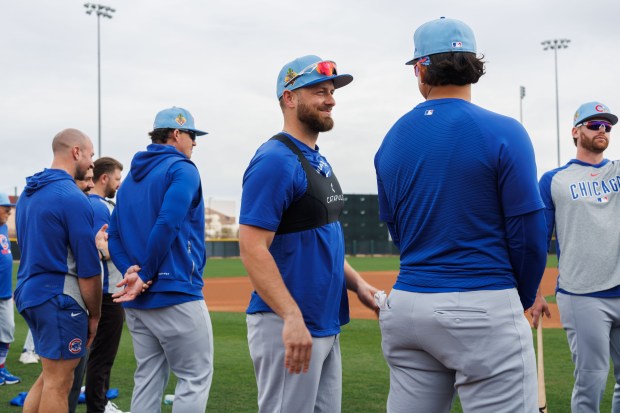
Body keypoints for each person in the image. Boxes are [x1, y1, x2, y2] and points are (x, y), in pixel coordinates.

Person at [374, 17, 547, 412]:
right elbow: (529, 235)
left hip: (407, 306)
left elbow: (397, 231)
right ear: (473, 65)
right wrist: (514, 299)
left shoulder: (392, 137)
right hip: (483, 303)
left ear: (421, 69)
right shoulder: (505, 130)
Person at [239, 55, 379, 413]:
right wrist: (290, 316)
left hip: (323, 319)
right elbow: (252, 246)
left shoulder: (316, 158)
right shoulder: (275, 159)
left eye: (331, 91)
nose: (330, 99)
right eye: (319, 91)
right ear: (289, 98)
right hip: (289, 322)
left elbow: (321, 239)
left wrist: (358, 285)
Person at [108, 107, 212, 413]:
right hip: (175, 293)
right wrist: (146, 273)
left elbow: (113, 234)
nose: (195, 143)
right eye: (192, 135)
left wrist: (131, 271)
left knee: (148, 379)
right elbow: (168, 222)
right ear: (177, 133)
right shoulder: (183, 169)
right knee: (194, 377)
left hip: (137, 302)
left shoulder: (128, 181)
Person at [538, 101, 620, 412]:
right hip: (583, 295)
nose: (602, 130)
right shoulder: (554, 180)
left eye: (607, 126)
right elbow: (538, 240)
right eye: (594, 124)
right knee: (592, 381)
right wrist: (534, 291)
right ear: (576, 132)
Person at [14, 128, 102, 413]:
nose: (91, 163)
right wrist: (96, 315)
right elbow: (89, 268)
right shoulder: (73, 198)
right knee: (59, 384)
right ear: (76, 152)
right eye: (90, 155)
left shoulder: (30, 192)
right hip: (60, 298)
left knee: (48, 378)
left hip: (30, 293)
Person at [85, 157, 126, 413]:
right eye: (117, 178)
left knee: (98, 356)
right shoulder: (99, 207)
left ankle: (101, 404)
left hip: (103, 290)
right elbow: (102, 250)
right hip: (107, 292)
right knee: (102, 357)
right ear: (104, 178)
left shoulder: (94, 204)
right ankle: (98, 408)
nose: (119, 184)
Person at [0, 192, 20, 385]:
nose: (8, 210)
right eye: (4, 207)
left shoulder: (4, 227)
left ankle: (1, 368)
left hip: (5, 292)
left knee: (8, 330)